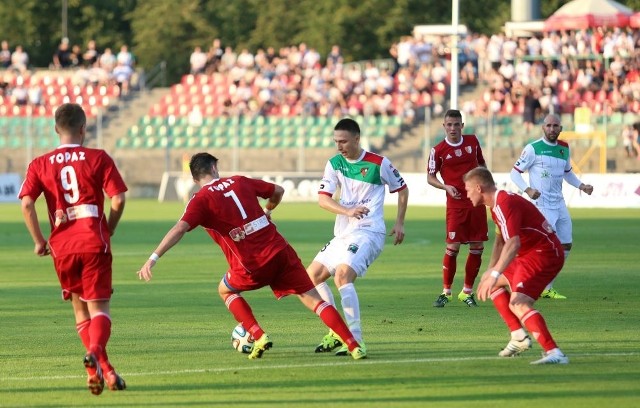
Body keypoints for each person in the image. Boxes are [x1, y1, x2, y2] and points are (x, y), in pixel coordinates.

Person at [137, 153, 366, 361]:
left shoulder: (201, 199)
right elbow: (278, 191)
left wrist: (153, 257)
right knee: (315, 299)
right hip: (281, 251)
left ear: (195, 178)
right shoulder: (239, 181)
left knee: (225, 290)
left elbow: (179, 229)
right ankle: (353, 344)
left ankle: (258, 334)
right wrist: (268, 210)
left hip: (251, 265)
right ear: (215, 168)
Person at [18, 103, 128, 394]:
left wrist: (39, 241)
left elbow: (27, 203)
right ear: (83, 128)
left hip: (62, 246)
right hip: (93, 240)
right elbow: (118, 200)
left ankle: (105, 370)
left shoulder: (39, 163)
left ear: (56, 129)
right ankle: (95, 354)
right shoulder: (98, 157)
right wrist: (111, 228)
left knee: (81, 311)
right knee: (100, 308)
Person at [307, 118, 408, 356]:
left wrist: (400, 222)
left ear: (356, 138)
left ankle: (356, 339)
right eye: (336, 141)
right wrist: (347, 211)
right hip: (343, 233)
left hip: (369, 231)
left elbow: (402, 189)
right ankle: (336, 331)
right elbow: (323, 199)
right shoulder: (334, 164)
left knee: (342, 276)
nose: (339, 146)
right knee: (311, 277)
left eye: (343, 141)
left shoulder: (378, 163)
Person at [463, 167, 569, 365]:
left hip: (543, 254)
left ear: (478, 188)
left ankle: (554, 352)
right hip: (529, 254)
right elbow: (500, 240)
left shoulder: (504, 203)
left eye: (468, 189)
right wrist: (490, 271)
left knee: (518, 302)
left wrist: (496, 273)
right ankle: (519, 337)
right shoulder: (496, 205)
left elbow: (513, 242)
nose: (467, 194)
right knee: (492, 285)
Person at [510, 113, 594, 299]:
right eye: (548, 125)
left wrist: (582, 186)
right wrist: (528, 190)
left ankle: (548, 287)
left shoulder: (564, 148)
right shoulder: (533, 149)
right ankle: (522, 280)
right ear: (543, 127)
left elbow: (568, 172)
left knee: (566, 245)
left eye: (556, 126)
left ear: (561, 129)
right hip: (541, 206)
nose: (552, 129)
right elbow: (514, 173)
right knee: (542, 247)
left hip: (559, 204)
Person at [427, 109, 488, 308]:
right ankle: (446, 292)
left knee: (477, 247)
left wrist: (485, 184)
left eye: (456, 124)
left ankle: (467, 292)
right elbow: (430, 177)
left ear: (462, 125)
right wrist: (445, 186)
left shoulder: (472, 142)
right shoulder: (438, 150)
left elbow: (482, 164)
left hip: (476, 203)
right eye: (449, 124)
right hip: (456, 206)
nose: (453, 128)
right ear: (444, 126)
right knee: (452, 248)